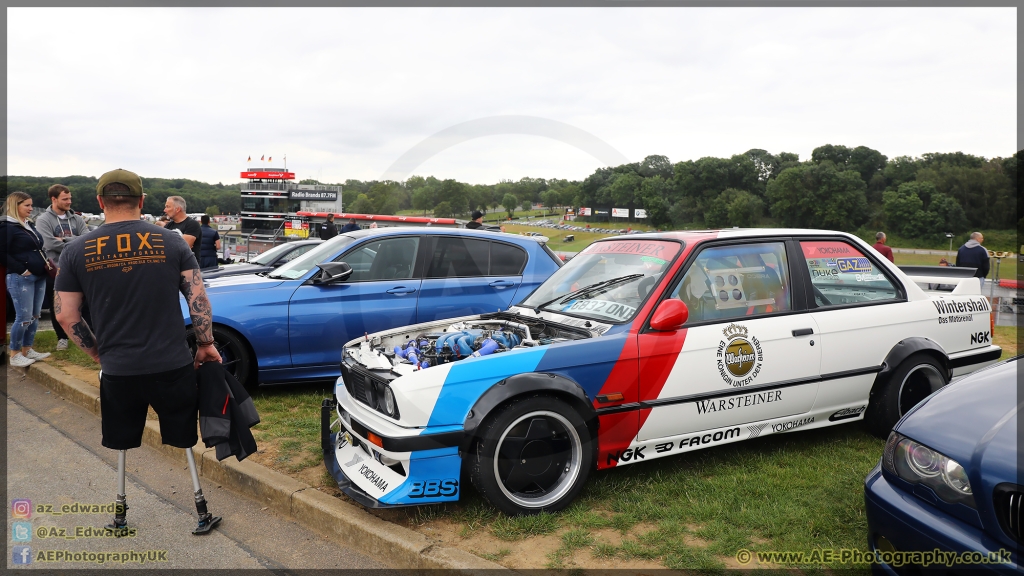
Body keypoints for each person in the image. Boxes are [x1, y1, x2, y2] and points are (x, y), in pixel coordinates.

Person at [55, 168, 223, 534]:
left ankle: (120, 514)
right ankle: (200, 510)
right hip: (172, 363)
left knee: (121, 442)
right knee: (182, 438)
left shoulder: (75, 250)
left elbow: (66, 316)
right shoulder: (173, 242)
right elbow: (197, 298)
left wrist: (98, 353)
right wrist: (206, 344)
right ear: (142, 201)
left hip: (118, 367)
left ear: (100, 202)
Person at [2, 191, 53, 367]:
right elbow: (2, 253)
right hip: (21, 277)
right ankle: (15, 353)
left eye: (31, 205)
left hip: (38, 275)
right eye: (27, 205)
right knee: (23, 316)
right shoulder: (7, 227)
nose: (31, 209)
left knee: (35, 315)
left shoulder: (27, 224)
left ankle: (27, 348)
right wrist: (22, 269)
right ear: (15, 206)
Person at [36, 184, 89, 350]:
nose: (69, 202)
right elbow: (48, 243)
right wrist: (75, 240)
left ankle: (89, 334)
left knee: (85, 302)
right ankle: (62, 338)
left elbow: (87, 240)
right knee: (57, 304)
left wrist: (64, 241)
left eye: (70, 198)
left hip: (78, 267)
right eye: (65, 199)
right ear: (54, 199)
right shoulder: (43, 219)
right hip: (56, 268)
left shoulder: (77, 219)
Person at [163, 196, 202, 264]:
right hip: (173, 267)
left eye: (168, 207)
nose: (165, 210)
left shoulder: (192, 224)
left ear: (178, 209)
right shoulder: (168, 225)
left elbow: (183, 248)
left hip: (188, 268)